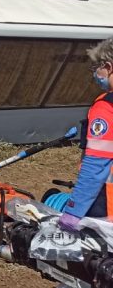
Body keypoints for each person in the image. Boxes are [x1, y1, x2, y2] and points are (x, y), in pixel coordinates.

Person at [60, 38, 113, 230]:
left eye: (95, 68)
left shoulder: (106, 107)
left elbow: (96, 165)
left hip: (106, 208)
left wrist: (74, 210)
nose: (95, 74)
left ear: (108, 67)